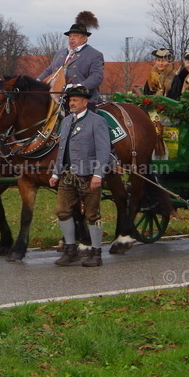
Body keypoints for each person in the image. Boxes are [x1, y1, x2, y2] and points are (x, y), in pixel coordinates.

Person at [50, 84, 114, 267]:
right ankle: (71, 250)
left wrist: (98, 175)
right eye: (70, 100)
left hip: (89, 176)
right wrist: (56, 173)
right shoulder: (66, 121)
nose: (72, 103)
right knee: (62, 211)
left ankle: (96, 253)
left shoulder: (97, 121)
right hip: (67, 175)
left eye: (76, 100)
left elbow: (103, 150)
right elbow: (61, 150)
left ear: (85, 102)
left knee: (92, 215)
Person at [38, 11, 105, 105]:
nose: (72, 38)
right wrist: (37, 82)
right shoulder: (60, 53)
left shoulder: (95, 55)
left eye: (76, 36)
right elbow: (49, 71)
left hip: (83, 99)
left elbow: (97, 77)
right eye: (70, 36)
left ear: (85, 38)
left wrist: (78, 86)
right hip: (58, 98)